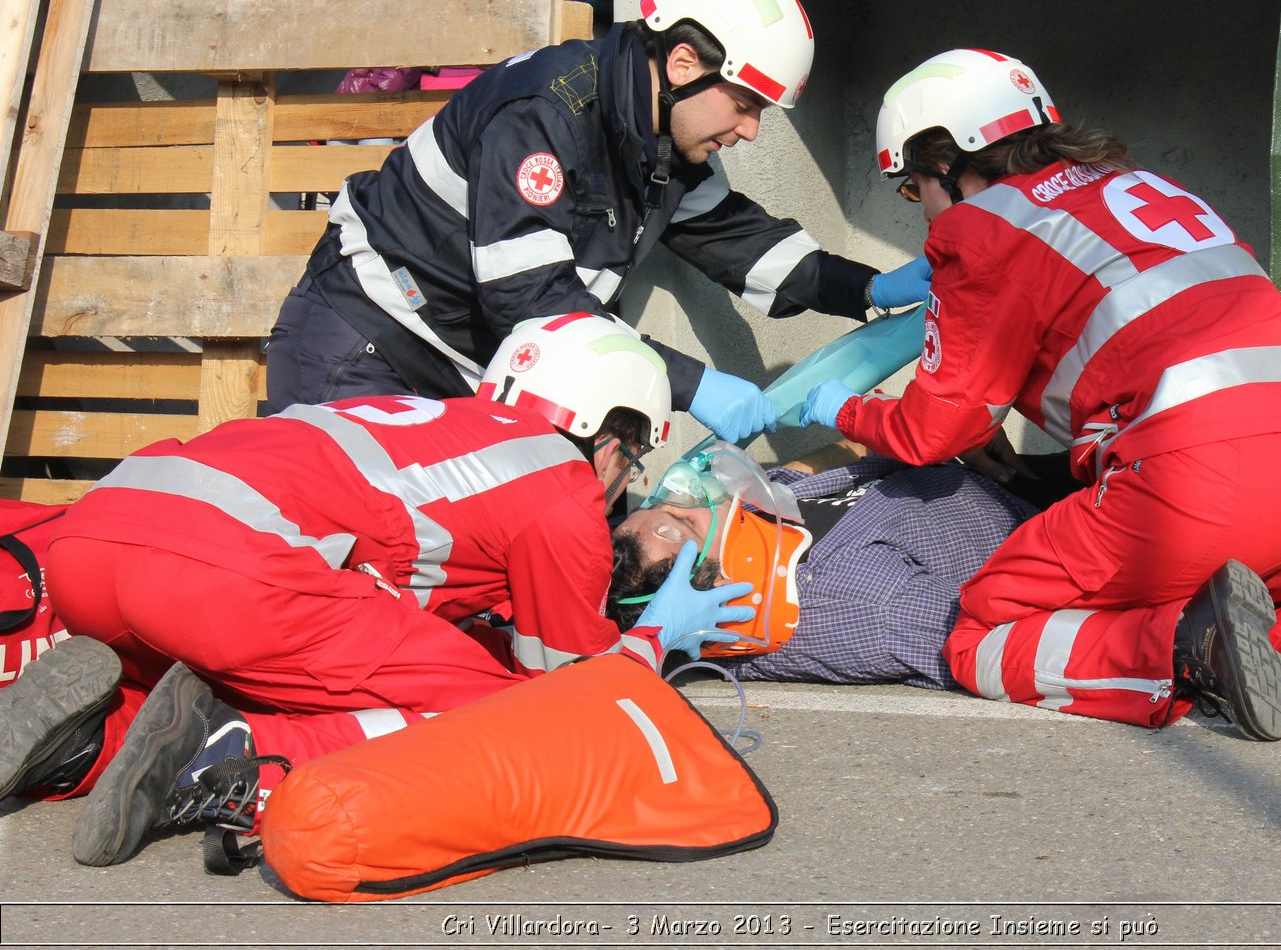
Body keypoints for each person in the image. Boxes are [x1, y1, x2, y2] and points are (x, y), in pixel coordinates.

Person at [798, 49, 1281, 739]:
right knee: (1181, 561)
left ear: (948, 158)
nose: (921, 211)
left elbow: (931, 433)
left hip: (1197, 500)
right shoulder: (1140, 187)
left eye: (913, 188)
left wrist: (837, 407)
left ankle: (1183, 649)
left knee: (979, 630)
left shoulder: (976, 227)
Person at [0, 314, 753, 867]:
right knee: (495, 716)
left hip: (93, 544)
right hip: (227, 572)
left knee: (304, 665)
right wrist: (654, 640)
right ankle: (225, 755)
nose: (625, 485)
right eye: (635, 459)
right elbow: (572, 701)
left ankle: (86, 746)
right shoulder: (562, 485)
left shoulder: (442, 425)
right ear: (611, 433)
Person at [265, 0, 932, 443]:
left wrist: (870, 288)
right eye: (746, 103)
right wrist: (693, 385)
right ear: (682, 66)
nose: (752, 129)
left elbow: (740, 243)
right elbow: (530, 302)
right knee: (355, 563)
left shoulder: (657, 142)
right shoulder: (543, 116)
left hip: (467, 368)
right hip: (370, 342)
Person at [609, 444, 1039, 689]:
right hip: (1047, 519)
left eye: (654, 503)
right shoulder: (861, 605)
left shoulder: (756, 528)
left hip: (973, 466)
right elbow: (1004, 640)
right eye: (681, 519)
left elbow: (808, 472)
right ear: (723, 586)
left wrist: (896, 428)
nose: (683, 495)